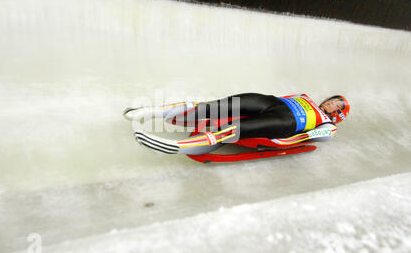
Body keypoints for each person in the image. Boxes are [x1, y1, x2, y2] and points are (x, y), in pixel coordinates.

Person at [124, 93, 350, 155]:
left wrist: (279, 142)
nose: (331, 104)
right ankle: (152, 112)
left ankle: (179, 146)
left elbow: (305, 138)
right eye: (333, 100)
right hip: (269, 103)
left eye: (336, 105)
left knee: (231, 131)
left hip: (286, 121)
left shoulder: (329, 125)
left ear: (338, 114)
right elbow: (283, 97)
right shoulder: (305, 95)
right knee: (218, 105)